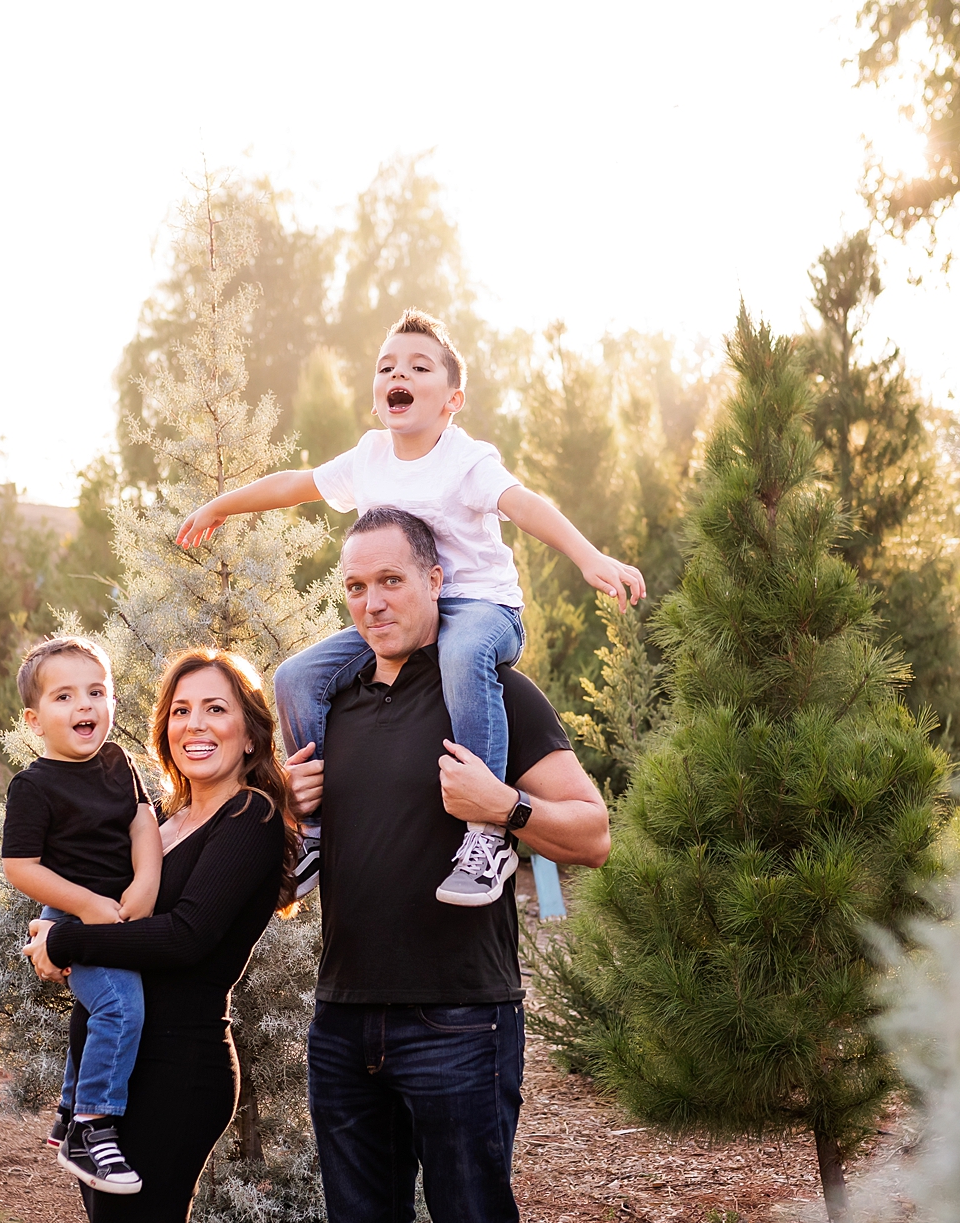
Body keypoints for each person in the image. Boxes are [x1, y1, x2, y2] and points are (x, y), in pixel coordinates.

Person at [278, 508, 613, 1223]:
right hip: (346, 1019)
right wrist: (292, 805)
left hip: (460, 1018)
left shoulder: (493, 694)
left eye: (390, 580)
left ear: (435, 579)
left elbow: (593, 832)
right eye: (354, 589)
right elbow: (298, 865)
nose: (372, 603)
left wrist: (501, 803)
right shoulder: (330, 700)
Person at [174, 308, 643, 908]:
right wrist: (219, 506)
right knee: (296, 676)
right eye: (387, 366)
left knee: (462, 653)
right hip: (407, 613)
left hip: (479, 609)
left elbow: (524, 505)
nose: (400, 373)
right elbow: (294, 484)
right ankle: (314, 833)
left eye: (420, 366)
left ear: (453, 398)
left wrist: (586, 555)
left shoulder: (465, 461)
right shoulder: (369, 458)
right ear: (378, 396)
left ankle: (485, 835)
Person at [23, 648, 298, 1223]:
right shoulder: (169, 818)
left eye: (217, 709)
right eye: (181, 711)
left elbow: (182, 942)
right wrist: (68, 933)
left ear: (250, 727)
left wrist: (67, 939)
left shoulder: (256, 822)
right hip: (115, 1072)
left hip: (177, 1069)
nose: (197, 725)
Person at [0, 636, 162, 1195]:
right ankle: (93, 1126)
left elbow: (142, 822)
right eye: (64, 697)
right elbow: (19, 867)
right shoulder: (34, 786)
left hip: (122, 906)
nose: (85, 706)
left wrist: (145, 883)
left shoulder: (119, 762)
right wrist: (86, 906)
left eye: (97, 691)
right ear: (34, 719)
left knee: (100, 1010)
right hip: (72, 913)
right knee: (120, 1009)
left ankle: (70, 1109)